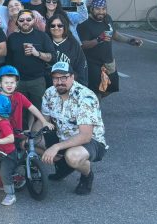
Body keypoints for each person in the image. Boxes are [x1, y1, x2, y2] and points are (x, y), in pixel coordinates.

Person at [41, 62, 107, 195]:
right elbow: (44, 120)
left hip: (90, 141)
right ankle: (64, 166)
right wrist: (30, 135)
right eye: (55, 78)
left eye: (63, 77)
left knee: (73, 156)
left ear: (72, 77)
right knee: (29, 143)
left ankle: (87, 175)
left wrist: (56, 147)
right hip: (63, 137)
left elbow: (85, 136)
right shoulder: (49, 93)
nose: (59, 82)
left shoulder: (85, 97)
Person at [77, 0, 142, 99]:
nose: (101, 12)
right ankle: (94, 111)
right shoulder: (85, 23)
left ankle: (92, 105)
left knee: (111, 87)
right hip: (92, 63)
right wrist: (98, 39)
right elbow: (83, 45)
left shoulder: (107, 18)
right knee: (95, 91)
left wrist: (129, 41)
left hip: (108, 62)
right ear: (92, 9)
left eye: (103, 9)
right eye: (98, 9)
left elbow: (114, 34)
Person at [6, 10, 55, 107]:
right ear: (17, 22)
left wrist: (37, 53)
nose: (25, 22)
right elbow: (8, 61)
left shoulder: (42, 36)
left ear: (33, 20)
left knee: (40, 109)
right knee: (19, 111)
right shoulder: (12, 38)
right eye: (21, 20)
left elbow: (53, 58)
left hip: (37, 80)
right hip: (18, 81)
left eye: (28, 19)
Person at [0, 65, 54, 135]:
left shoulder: (19, 96)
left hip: (17, 133)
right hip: (1, 134)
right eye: (6, 82)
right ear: (0, 83)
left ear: (16, 83)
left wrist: (44, 121)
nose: (9, 85)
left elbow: (32, 108)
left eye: (12, 82)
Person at [47, 14, 88, 87]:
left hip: (69, 85)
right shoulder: (45, 42)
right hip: (49, 86)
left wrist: (81, 85)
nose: (56, 28)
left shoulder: (73, 43)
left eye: (60, 25)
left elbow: (81, 66)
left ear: (64, 27)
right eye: (53, 25)